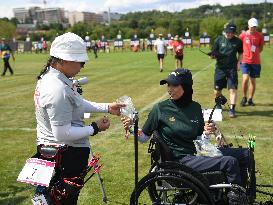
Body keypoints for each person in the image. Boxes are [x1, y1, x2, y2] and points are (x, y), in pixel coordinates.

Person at [122, 68, 254, 203]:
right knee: (230, 162)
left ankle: (246, 196)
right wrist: (132, 128)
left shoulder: (195, 108)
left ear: (185, 87)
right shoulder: (160, 109)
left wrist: (207, 131)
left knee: (246, 154)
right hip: (180, 161)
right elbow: (144, 137)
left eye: (174, 85)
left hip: (196, 153)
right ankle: (236, 200)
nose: (169, 89)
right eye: (168, 85)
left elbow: (199, 139)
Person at [33, 32, 125, 205]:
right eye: (80, 61)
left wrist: (107, 107)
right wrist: (94, 127)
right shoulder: (56, 88)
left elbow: (77, 104)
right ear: (64, 60)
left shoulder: (55, 79)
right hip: (64, 157)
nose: (82, 66)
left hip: (58, 154)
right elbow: (62, 133)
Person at [210, 23, 243, 118]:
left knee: (232, 89)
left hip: (232, 69)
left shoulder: (238, 41)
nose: (229, 34)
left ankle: (232, 109)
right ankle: (219, 102)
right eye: (227, 32)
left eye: (231, 32)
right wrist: (212, 55)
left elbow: (241, 53)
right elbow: (213, 52)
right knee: (217, 91)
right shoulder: (219, 40)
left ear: (234, 32)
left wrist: (239, 63)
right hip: (220, 68)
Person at [239, 18, 264, 106]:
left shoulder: (260, 35)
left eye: (255, 26)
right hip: (245, 60)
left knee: (253, 81)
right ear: (248, 25)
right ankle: (244, 97)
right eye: (252, 26)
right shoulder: (243, 35)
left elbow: (261, 48)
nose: (253, 28)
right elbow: (239, 47)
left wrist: (255, 53)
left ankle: (250, 99)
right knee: (245, 79)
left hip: (255, 62)